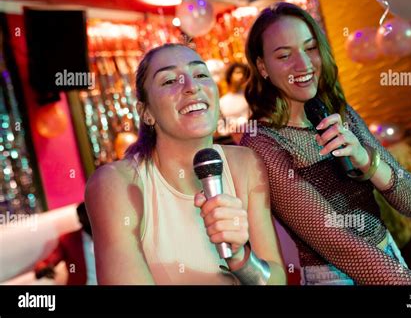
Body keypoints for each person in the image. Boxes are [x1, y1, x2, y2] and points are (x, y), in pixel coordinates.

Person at [240, 2, 411, 285]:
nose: (304, 65)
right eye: (284, 55)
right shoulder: (262, 141)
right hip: (334, 278)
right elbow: (340, 244)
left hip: (388, 257)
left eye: (310, 48)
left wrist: (365, 159)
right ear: (262, 66)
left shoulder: (337, 112)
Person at [85, 43, 286, 285]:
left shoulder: (245, 163)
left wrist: (241, 258)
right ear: (146, 112)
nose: (192, 87)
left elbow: (276, 280)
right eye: (170, 81)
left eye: (200, 74)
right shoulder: (115, 183)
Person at [34, 202, 97, 285]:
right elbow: (49, 261)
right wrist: (43, 268)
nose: (90, 219)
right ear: (80, 219)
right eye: (86, 216)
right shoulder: (68, 239)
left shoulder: (110, 236)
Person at [218, 62, 251, 144]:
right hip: (231, 142)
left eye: (243, 73)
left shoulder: (250, 97)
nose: (241, 76)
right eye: (238, 72)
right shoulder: (222, 102)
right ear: (230, 75)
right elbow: (221, 128)